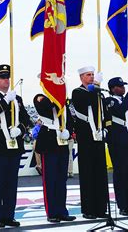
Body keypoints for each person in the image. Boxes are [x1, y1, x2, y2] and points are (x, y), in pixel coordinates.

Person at [0, 64, 31, 228]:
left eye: (8, 77)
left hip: (14, 144)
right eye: (2, 78)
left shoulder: (17, 99)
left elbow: (26, 119)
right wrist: (5, 101)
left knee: (11, 182)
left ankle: (9, 214)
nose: (6, 80)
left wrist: (21, 129)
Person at [70, 66, 109, 219]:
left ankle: (101, 207)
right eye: (88, 75)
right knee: (88, 173)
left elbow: (104, 112)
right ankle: (89, 209)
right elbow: (86, 102)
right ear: (81, 77)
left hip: (99, 136)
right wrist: (96, 87)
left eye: (93, 75)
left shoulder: (98, 93)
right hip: (86, 136)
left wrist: (106, 128)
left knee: (100, 173)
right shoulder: (78, 92)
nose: (91, 77)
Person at [33, 93, 76, 223]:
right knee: (50, 180)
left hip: (62, 142)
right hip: (49, 142)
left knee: (61, 180)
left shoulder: (63, 101)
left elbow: (69, 118)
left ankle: (62, 211)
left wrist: (68, 131)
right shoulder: (40, 98)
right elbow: (45, 108)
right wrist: (55, 94)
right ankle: (52, 212)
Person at [104, 77, 128, 216]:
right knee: (121, 174)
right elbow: (120, 111)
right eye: (120, 86)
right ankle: (123, 205)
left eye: (124, 86)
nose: (124, 88)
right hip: (118, 143)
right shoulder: (110, 101)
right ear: (113, 88)